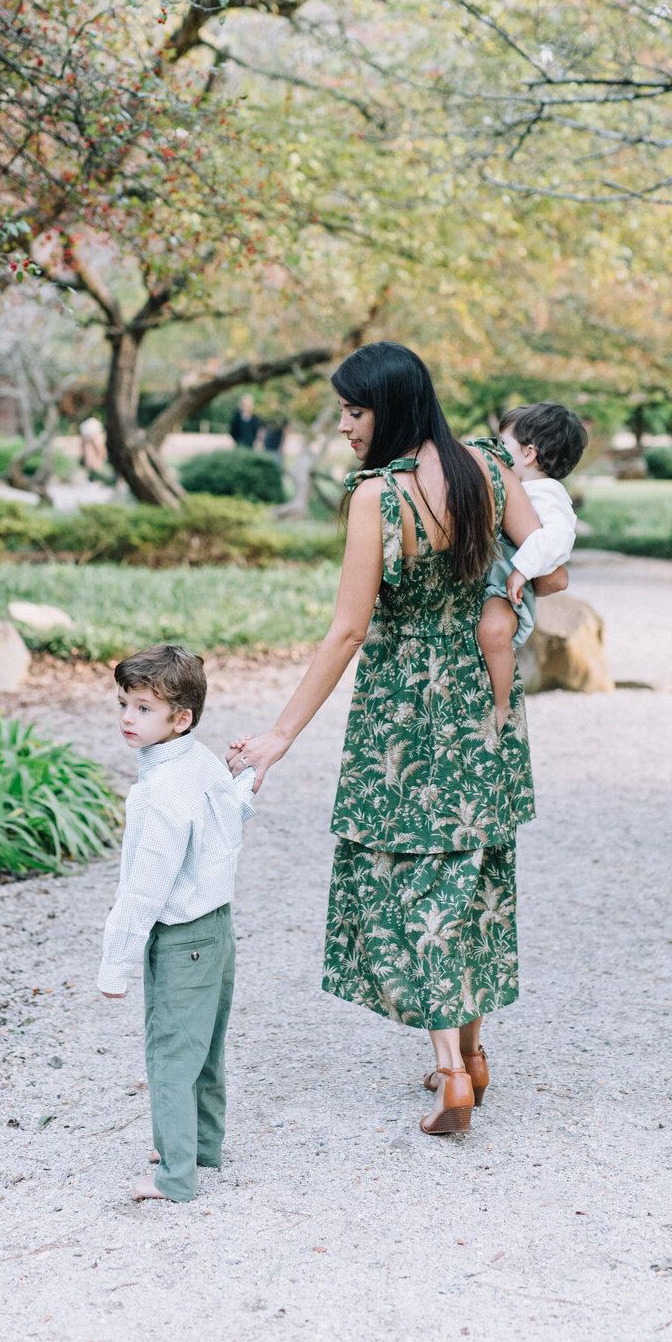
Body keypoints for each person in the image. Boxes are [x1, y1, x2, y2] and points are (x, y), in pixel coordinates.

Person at [226, 342, 568, 1137]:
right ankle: (476, 1059)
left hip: (403, 711)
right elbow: (550, 574)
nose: (345, 426)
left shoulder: (377, 499)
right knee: (475, 868)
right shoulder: (488, 466)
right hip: (485, 702)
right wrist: (497, 586)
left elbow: (348, 631)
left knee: (414, 882)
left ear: (392, 407)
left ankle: (451, 1074)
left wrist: (279, 735)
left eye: (355, 411)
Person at [97, 644, 256, 1202]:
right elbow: (231, 814)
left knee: (169, 1052)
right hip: (217, 930)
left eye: (142, 708)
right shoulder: (202, 759)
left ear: (179, 718)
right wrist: (248, 772)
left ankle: (175, 1177)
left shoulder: (157, 792)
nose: (126, 718)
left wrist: (114, 964)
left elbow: (145, 887)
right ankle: (200, 1148)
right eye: (124, 704)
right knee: (204, 1046)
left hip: (181, 936)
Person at [476, 401, 589, 731]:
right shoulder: (518, 486)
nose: (496, 453)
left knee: (493, 632)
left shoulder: (546, 492)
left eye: (503, 445)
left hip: (508, 587)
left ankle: (501, 705)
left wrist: (522, 570)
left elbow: (557, 539)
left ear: (528, 453)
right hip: (494, 577)